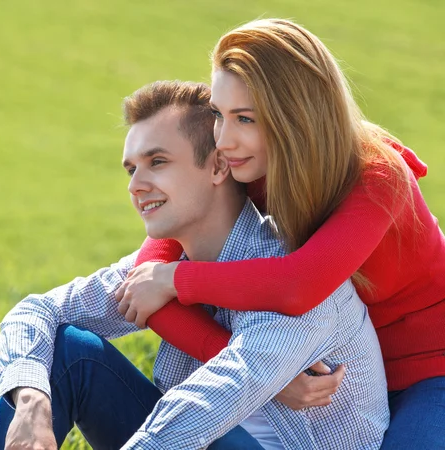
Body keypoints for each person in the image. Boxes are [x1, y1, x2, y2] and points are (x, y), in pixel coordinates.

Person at [0, 80, 389, 450]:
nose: (135, 186)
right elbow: (36, 311)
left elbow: (203, 407)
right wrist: (31, 400)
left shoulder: (288, 271)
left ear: (219, 165)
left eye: (158, 162)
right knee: (70, 352)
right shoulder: (161, 268)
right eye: (131, 169)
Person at [116, 18, 445, 449]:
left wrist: (176, 282)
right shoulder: (249, 162)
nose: (224, 140)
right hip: (346, 376)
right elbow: (146, 274)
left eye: (246, 119)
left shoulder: (377, 175)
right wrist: (261, 373)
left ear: (296, 117)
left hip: (430, 369)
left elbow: (296, 285)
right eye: (219, 114)